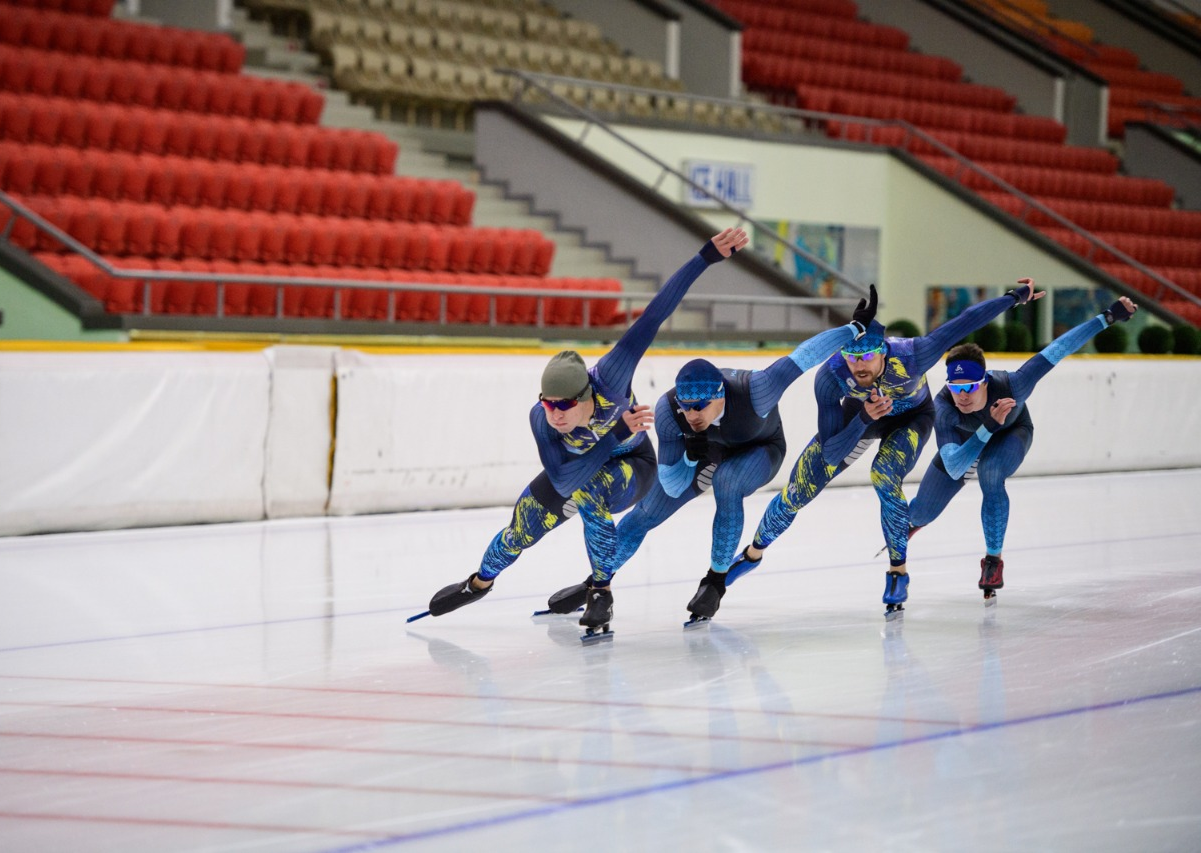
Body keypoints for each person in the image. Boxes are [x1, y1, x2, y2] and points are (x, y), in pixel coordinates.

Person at [414, 228, 751, 632]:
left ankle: (600, 592)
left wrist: (705, 257)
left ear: (587, 394)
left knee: (592, 493)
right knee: (520, 529)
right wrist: (612, 435)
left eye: (564, 405)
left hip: (633, 466)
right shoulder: (541, 419)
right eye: (548, 403)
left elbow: (656, 313)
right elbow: (563, 478)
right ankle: (479, 582)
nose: (555, 414)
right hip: (586, 463)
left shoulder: (612, 375)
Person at [694, 278, 1046, 623]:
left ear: (883, 350)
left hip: (911, 418)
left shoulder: (914, 354)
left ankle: (897, 571)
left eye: (867, 356)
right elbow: (831, 454)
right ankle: (753, 554)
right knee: (797, 491)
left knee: (884, 475)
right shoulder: (831, 376)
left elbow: (965, 321)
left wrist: (1012, 299)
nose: (859, 365)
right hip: (861, 417)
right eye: (852, 356)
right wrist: (863, 418)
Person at [541, 286, 880, 618]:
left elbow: (803, 357)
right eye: (687, 407)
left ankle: (716, 581)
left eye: (701, 407)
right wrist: (691, 455)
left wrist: (854, 328)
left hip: (760, 448)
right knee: (645, 513)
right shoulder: (668, 412)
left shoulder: (757, 390)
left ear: (722, 396)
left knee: (728, 483)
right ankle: (596, 585)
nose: (693, 415)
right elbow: (672, 485)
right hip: (707, 454)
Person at [906, 296, 1137, 602]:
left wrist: (1107, 317)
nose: (962, 395)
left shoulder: (1014, 385)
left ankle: (993, 561)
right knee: (921, 511)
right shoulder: (944, 407)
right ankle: (915, 522)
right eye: (955, 387)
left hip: (1010, 434)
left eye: (969, 387)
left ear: (985, 381)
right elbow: (954, 467)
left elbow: (1057, 349)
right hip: (969, 443)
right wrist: (987, 424)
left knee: (990, 473)